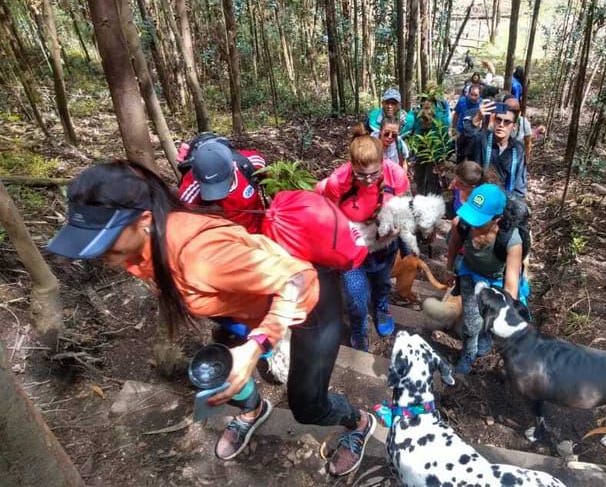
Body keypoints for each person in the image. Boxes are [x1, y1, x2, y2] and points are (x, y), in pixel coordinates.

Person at [46, 161, 376, 477]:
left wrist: (258, 344)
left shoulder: (200, 256)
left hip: (310, 305)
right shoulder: (144, 249)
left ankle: (359, 422)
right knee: (219, 371)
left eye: (104, 242)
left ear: (143, 220)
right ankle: (253, 409)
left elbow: (297, 279)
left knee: (307, 406)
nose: (101, 257)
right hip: (249, 305)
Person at [320, 126, 410, 351]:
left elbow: (405, 204)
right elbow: (331, 216)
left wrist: (398, 225)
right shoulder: (338, 181)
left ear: (383, 162)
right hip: (352, 247)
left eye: (374, 173)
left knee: (382, 281)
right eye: (361, 175)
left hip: (384, 243)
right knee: (356, 296)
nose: (368, 180)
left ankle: (381, 307)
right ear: (352, 164)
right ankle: (359, 326)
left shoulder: (395, 173)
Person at [444, 184, 524, 374]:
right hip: (469, 273)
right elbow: (454, 244)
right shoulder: (461, 224)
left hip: (496, 281)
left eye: (480, 221)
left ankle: (485, 337)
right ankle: (468, 353)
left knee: (489, 319)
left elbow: (511, 285)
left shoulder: (512, 241)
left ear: (498, 218)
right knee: (472, 321)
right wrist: (448, 269)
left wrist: (505, 309)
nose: (473, 224)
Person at [178, 139, 266, 234]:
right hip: (226, 239)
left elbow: (274, 184)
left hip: (259, 230)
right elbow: (182, 219)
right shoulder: (193, 185)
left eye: (221, 183)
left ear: (233, 167)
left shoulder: (250, 162)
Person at [461, 97, 527, 197]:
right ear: (493, 120)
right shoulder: (482, 139)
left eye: (507, 122)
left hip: (502, 199)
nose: (501, 125)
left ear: (514, 126)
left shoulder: (517, 149)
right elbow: (466, 140)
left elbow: (519, 187)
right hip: (477, 195)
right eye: (498, 120)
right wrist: (477, 119)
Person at [452, 84, 482, 164]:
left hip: (475, 134)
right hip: (461, 131)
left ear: (479, 95)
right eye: (471, 94)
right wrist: (453, 128)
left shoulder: (482, 105)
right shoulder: (462, 101)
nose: (473, 97)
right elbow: (456, 114)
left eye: (475, 95)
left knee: (472, 156)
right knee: (460, 154)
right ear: (468, 93)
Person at [503, 94, 533, 165]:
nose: (512, 112)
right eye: (509, 109)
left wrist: (526, 160)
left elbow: (527, 142)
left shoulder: (524, 123)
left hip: (516, 157)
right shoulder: (497, 121)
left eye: (515, 110)